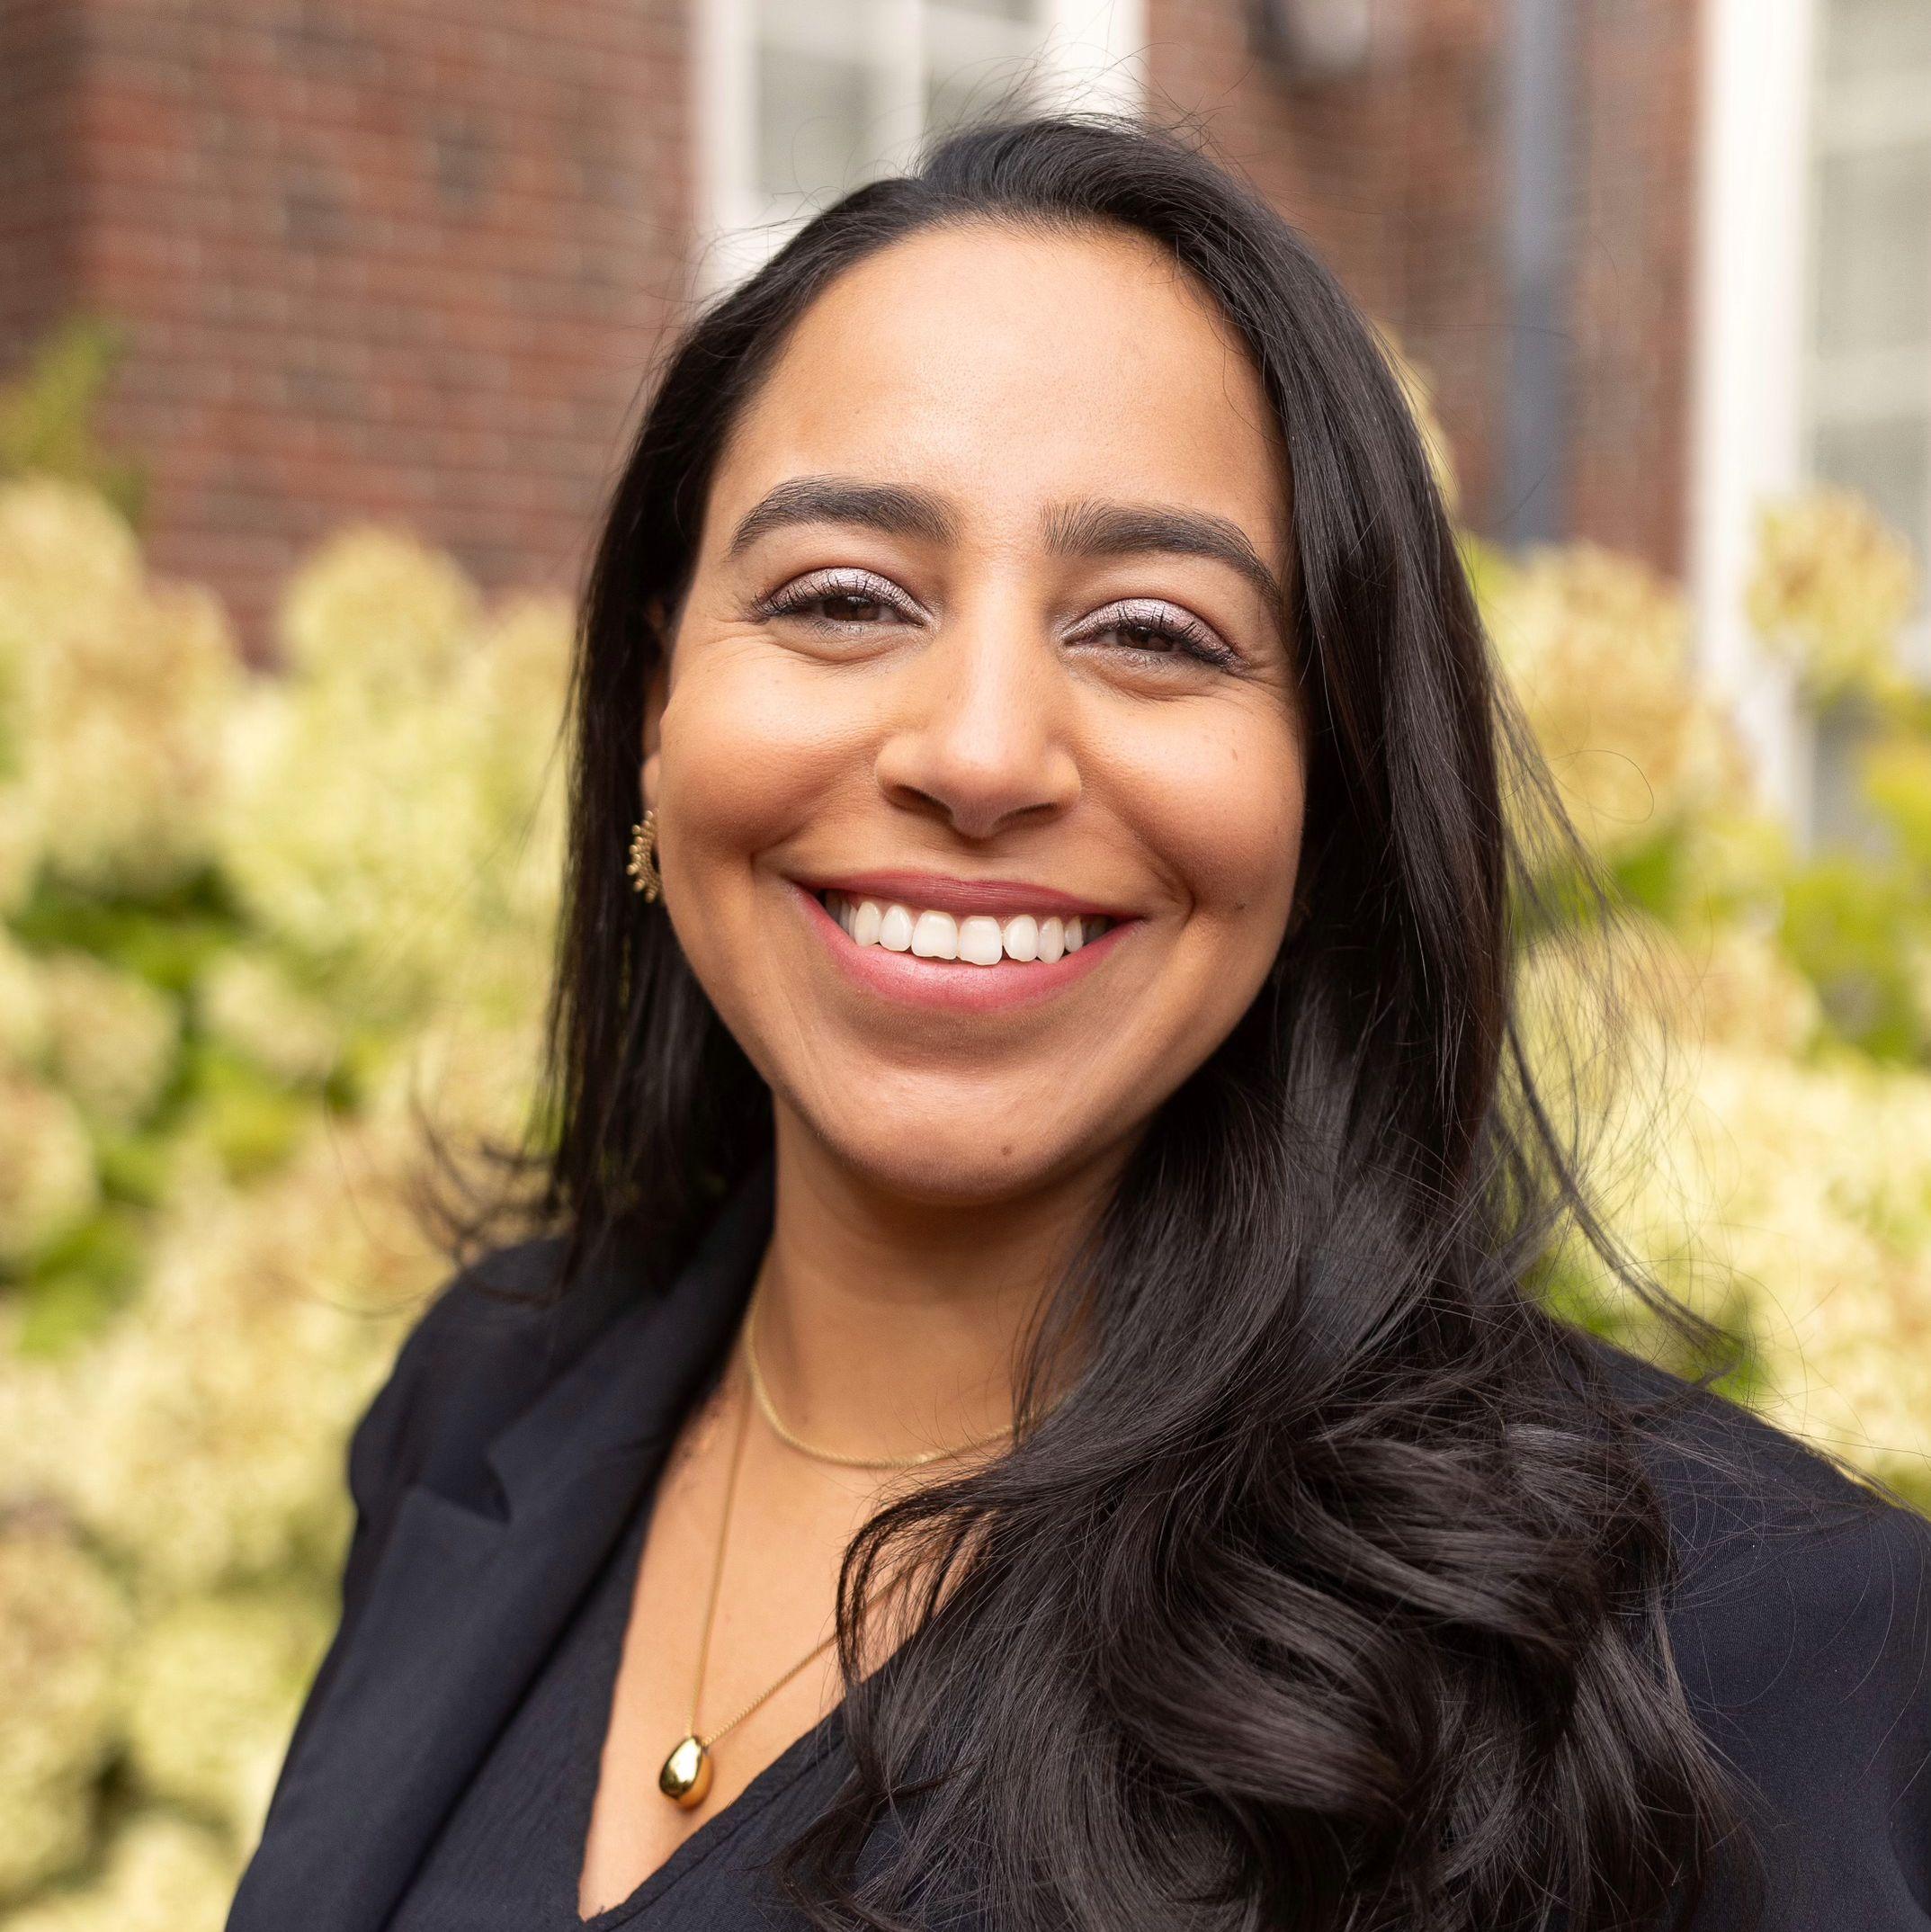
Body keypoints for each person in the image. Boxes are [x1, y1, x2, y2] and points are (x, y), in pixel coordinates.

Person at [225, 112, 1931, 1932]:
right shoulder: (482, 1400)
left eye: (1150, 631)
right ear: (657, 702)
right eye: (843, 597)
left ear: (1332, 782)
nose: (977, 753)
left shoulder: (1736, 1661)